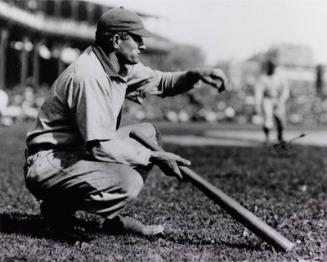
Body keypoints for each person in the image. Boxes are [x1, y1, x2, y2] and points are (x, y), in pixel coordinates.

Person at [24, 7, 228, 239]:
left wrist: (195, 75)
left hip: (77, 151)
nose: (143, 45)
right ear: (117, 39)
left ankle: (108, 217)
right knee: (127, 182)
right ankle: (58, 210)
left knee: (148, 133)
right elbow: (99, 146)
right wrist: (153, 157)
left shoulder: (120, 66)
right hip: (50, 160)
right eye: (137, 38)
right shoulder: (89, 75)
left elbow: (162, 82)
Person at [255, 60, 289, 144]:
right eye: (270, 67)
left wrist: (281, 100)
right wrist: (258, 104)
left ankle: (280, 137)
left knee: (280, 119)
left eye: (273, 67)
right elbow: (259, 92)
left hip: (278, 98)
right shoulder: (263, 77)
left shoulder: (280, 76)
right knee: (268, 118)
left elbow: (285, 90)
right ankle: (267, 137)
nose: (272, 68)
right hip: (267, 99)